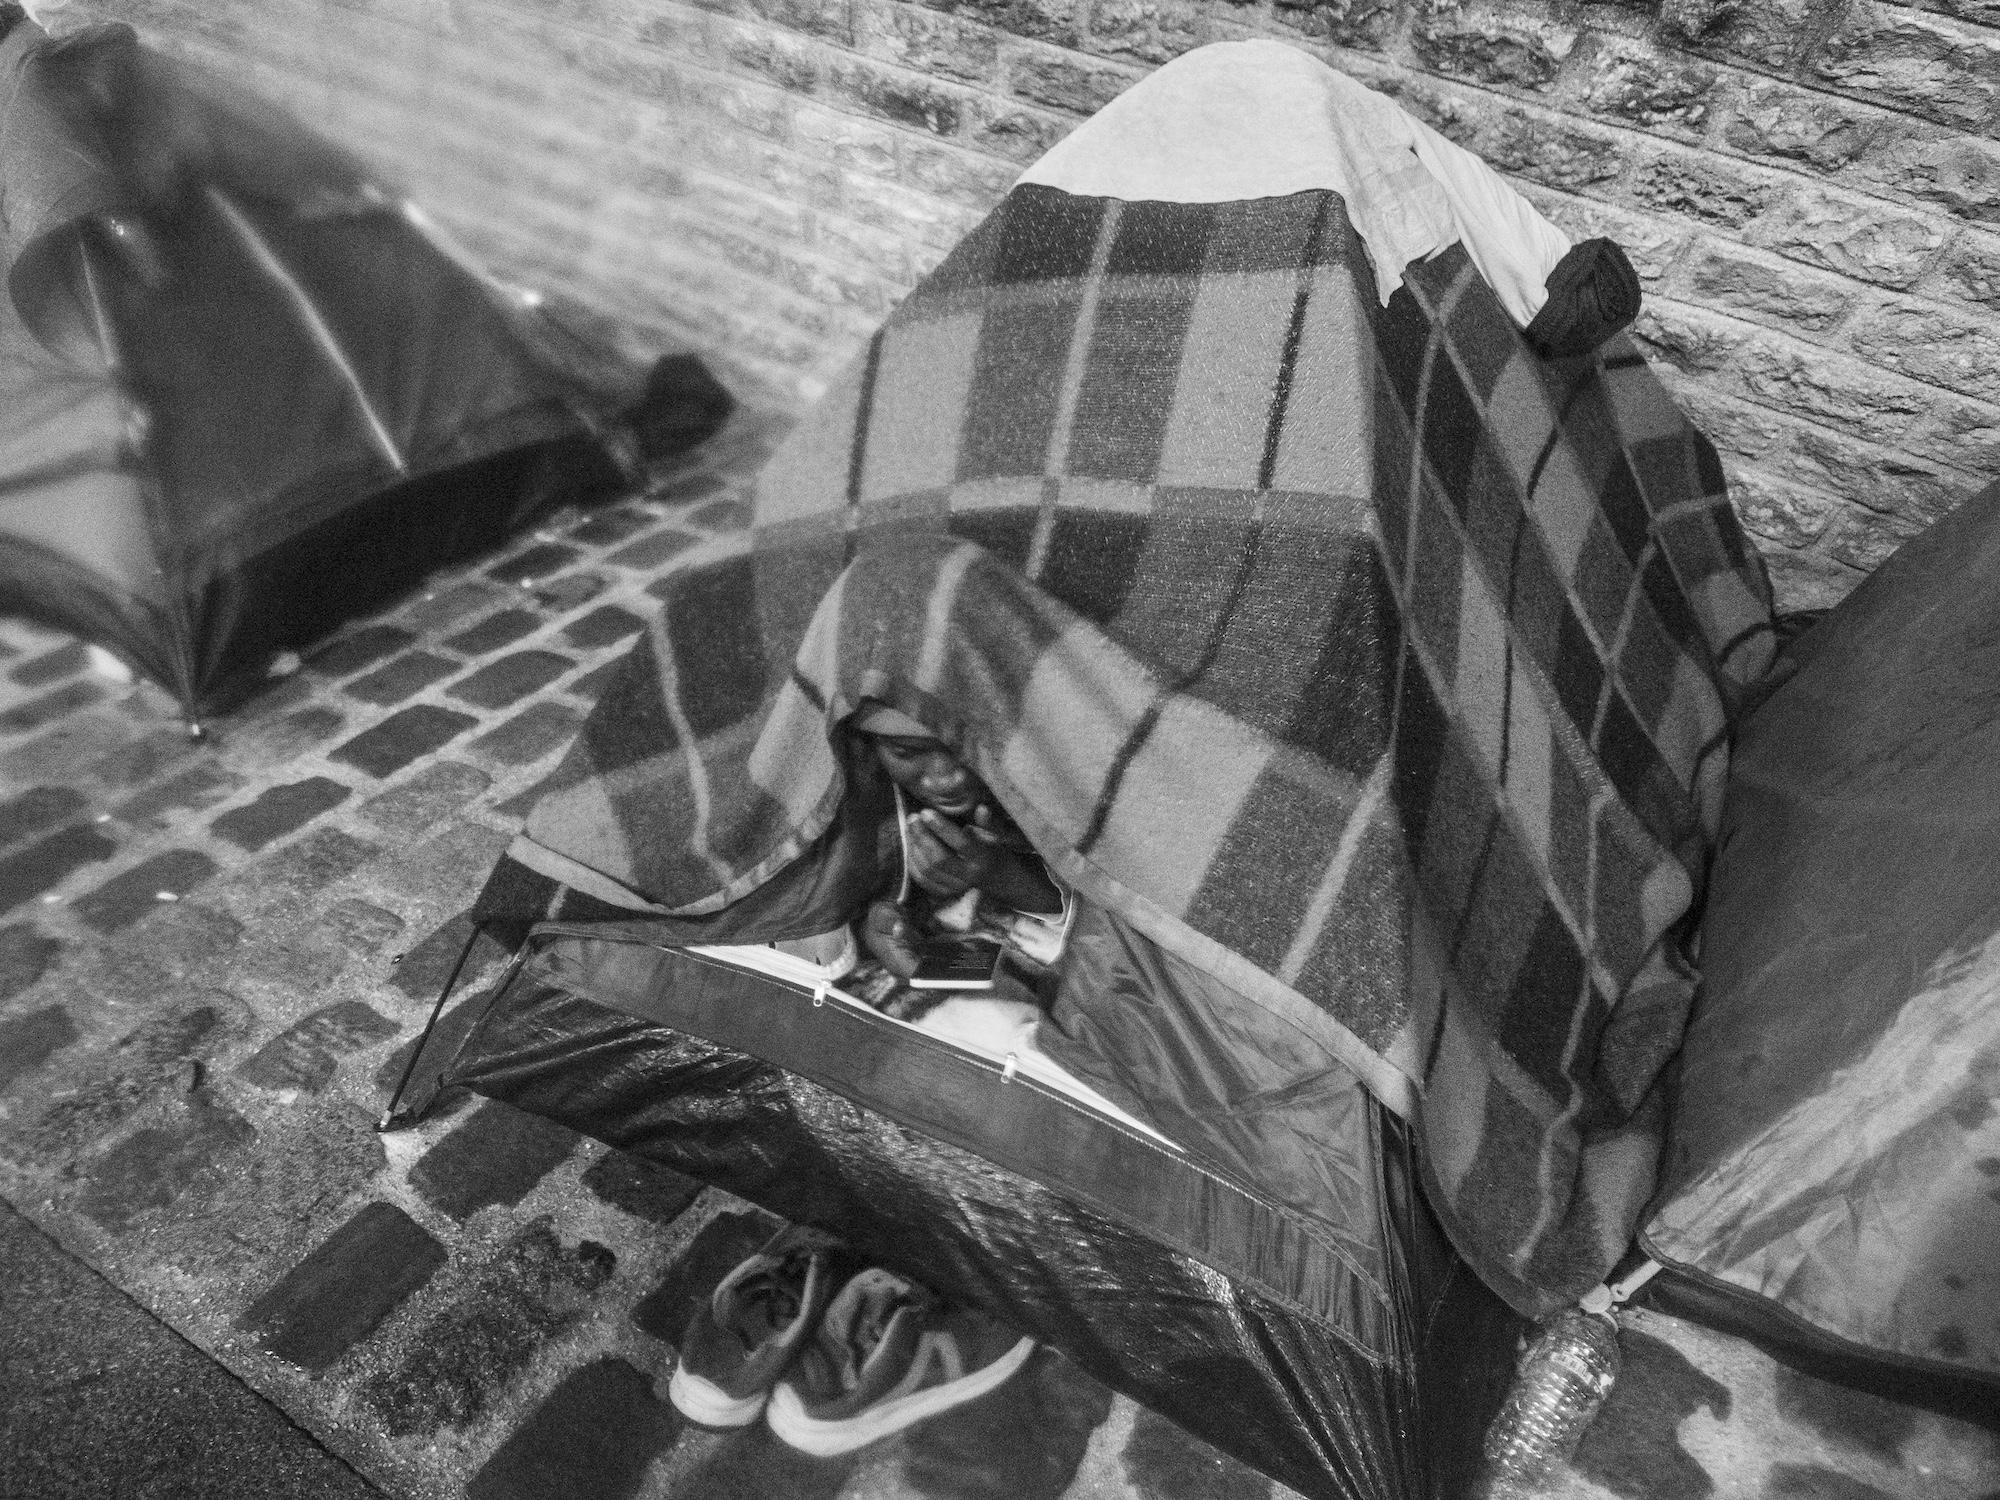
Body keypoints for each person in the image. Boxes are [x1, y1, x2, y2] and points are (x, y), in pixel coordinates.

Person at [845, 704, 1068, 983]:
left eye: (968, 744)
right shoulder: (858, 802)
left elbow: (1107, 926)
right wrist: (873, 935)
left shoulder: (1058, 778)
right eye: (906, 751)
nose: (947, 779)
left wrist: (1003, 875)